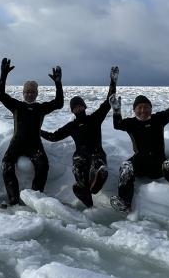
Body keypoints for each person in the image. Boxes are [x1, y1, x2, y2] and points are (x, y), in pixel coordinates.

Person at [110, 80, 169, 212]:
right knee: (125, 167)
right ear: (134, 110)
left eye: (146, 107)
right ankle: (125, 203)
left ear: (151, 108)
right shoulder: (131, 123)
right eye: (139, 108)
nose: (143, 110)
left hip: (158, 163)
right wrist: (116, 110)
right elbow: (117, 124)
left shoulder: (158, 119)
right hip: (139, 163)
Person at [41, 66, 118, 207]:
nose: (78, 108)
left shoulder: (94, 118)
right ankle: (83, 189)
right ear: (72, 110)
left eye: (79, 106)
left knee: (98, 164)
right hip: (81, 155)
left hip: (96, 151)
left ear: (84, 106)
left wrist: (113, 82)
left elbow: (108, 102)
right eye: (75, 107)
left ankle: (97, 180)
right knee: (78, 166)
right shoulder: (72, 126)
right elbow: (54, 136)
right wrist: (38, 131)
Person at [0, 57, 63, 207]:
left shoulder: (40, 108)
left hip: (34, 145)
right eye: (27, 92)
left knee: (43, 165)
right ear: (23, 93)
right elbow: (1, 96)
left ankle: (34, 197)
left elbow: (59, 103)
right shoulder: (16, 106)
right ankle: (13, 200)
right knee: (6, 165)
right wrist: (3, 74)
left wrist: (58, 84)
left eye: (32, 92)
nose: (29, 94)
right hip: (17, 143)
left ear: (37, 94)